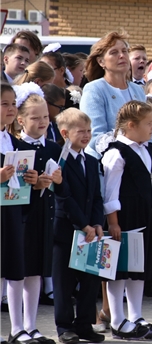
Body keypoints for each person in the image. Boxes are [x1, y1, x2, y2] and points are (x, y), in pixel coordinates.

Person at [102, 100, 152, 339]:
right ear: (131, 125)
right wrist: (113, 222)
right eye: (149, 123)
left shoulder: (147, 149)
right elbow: (110, 192)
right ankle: (117, 320)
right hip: (126, 220)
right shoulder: (116, 153)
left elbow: (148, 180)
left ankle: (135, 315)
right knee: (120, 271)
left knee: (137, 269)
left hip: (147, 219)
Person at [14, 83, 63, 343]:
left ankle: (31, 325)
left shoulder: (54, 148)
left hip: (44, 215)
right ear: (20, 120)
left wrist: (56, 179)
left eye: (45, 116)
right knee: (16, 272)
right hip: (20, 217)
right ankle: (16, 326)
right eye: (35, 117)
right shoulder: (15, 146)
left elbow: (61, 184)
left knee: (36, 272)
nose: (42, 121)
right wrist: (32, 183)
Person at [52, 108, 105, 344]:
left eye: (89, 130)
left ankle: (84, 324)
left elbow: (96, 196)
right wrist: (83, 224)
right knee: (64, 282)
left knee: (90, 279)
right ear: (65, 133)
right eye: (80, 131)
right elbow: (64, 197)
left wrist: (97, 223)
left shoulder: (91, 161)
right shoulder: (59, 161)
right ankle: (64, 326)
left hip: (90, 232)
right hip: (66, 229)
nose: (86, 135)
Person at [1, 83, 39, 344]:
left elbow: (24, 183)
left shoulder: (14, 141)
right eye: (5, 104)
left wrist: (33, 179)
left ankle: (17, 328)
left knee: (13, 267)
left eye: (13, 103)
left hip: (12, 212)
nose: (11, 109)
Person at [79, 31, 146, 159]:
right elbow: (95, 136)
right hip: (106, 166)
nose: (121, 56)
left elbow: (149, 130)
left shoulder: (138, 90)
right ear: (101, 62)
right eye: (114, 52)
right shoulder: (94, 89)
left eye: (124, 51)